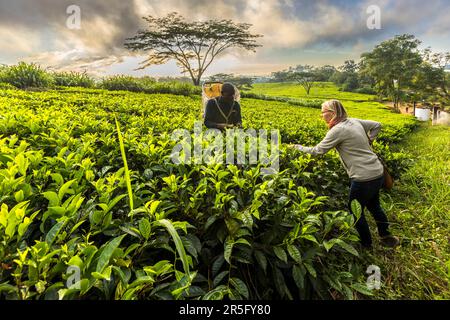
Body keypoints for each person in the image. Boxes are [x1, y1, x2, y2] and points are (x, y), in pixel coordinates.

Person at [292, 100, 400, 249]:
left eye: (323, 112)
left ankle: (366, 244)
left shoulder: (337, 130)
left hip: (363, 177)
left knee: (355, 210)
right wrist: (370, 141)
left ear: (332, 113)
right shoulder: (354, 121)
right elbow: (377, 125)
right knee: (374, 205)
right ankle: (386, 236)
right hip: (377, 171)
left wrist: (295, 147)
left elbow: (317, 151)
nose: (322, 115)